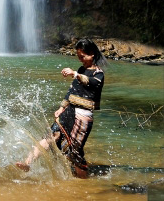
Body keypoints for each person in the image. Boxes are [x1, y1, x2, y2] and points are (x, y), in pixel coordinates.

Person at [16, 38, 106, 178]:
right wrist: (61, 107)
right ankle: (27, 162)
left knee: (75, 151)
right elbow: (72, 91)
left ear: (92, 54)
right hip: (69, 112)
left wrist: (75, 74)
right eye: (79, 56)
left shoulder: (98, 73)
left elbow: (92, 83)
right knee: (51, 135)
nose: (80, 60)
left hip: (82, 116)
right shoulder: (82, 70)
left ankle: (84, 182)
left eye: (82, 56)